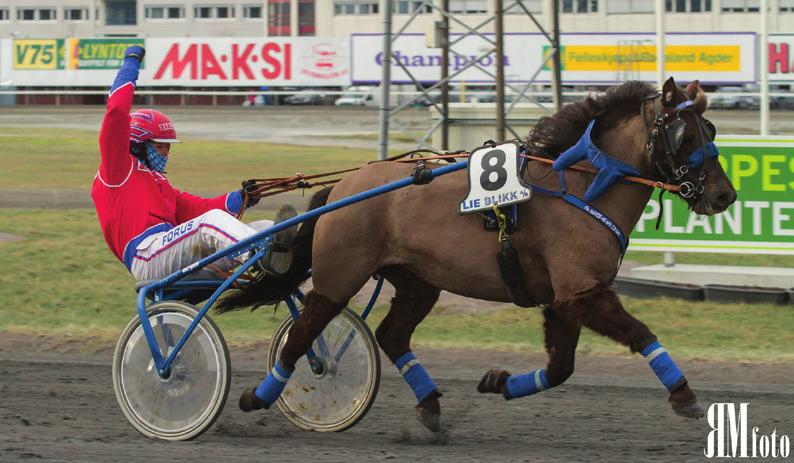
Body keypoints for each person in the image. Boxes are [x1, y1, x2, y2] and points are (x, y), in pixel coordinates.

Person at [91, 46, 295, 282]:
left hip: (172, 251)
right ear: (138, 144)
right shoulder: (117, 170)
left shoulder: (159, 183)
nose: (166, 153)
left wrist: (242, 198)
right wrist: (131, 63)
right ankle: (258, 254)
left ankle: (297, 267)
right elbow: (116, 111)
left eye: (169, 147)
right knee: (211, 224)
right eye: (160, 146)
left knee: (265, 227)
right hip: (147, 256)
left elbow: (199, 208)